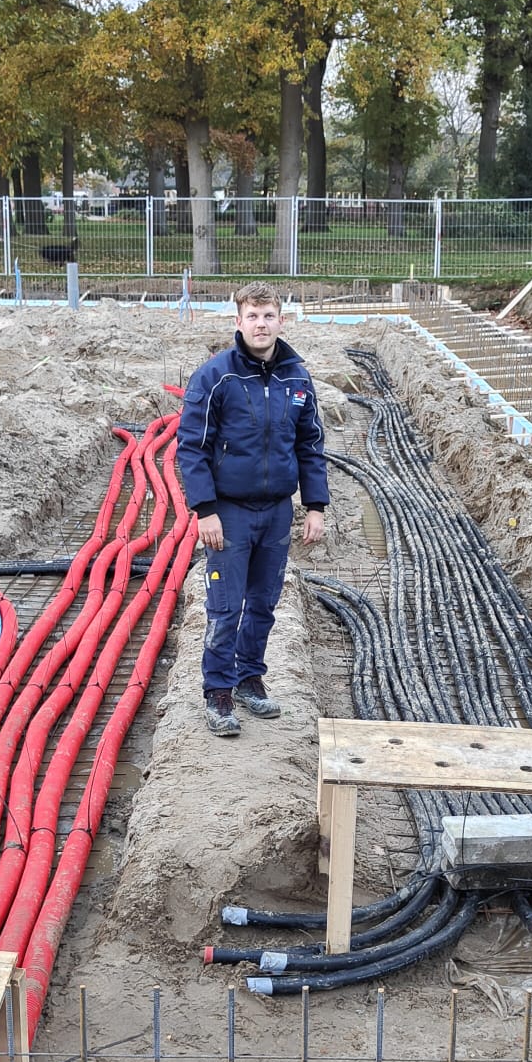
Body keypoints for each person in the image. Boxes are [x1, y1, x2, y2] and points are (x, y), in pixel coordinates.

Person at [175, 282, 328, 737]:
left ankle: (248, 679)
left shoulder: (297, 378)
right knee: (226, 607)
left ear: (281, 320)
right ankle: (218, 691)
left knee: (263, 603)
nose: (261, 324)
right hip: (229, 511)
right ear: (238, 321)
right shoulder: (215, 376)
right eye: (253, 316)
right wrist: (205, 510)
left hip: (277, 510)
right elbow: (192, 447)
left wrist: (315, 505)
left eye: (268, 316)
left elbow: (310, 444)